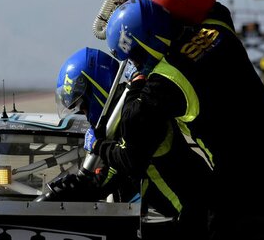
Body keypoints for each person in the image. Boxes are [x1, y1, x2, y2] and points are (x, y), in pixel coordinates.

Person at [92, 0, 264, 240]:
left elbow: (132, 155)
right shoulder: (217, 26)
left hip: (243, 181)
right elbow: (203, 4)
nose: (136, 65)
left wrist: (99, 144)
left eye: (135, 58)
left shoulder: (165, 82)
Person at [53, 47, 212, 240]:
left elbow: (126, 164)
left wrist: (98, 146)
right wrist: (68, 187)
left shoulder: (135, 109)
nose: (84, 113)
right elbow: (107, 178)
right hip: (182, 210)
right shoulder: (117, 116)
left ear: (95, 88)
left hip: (196, 210)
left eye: (83, 105)